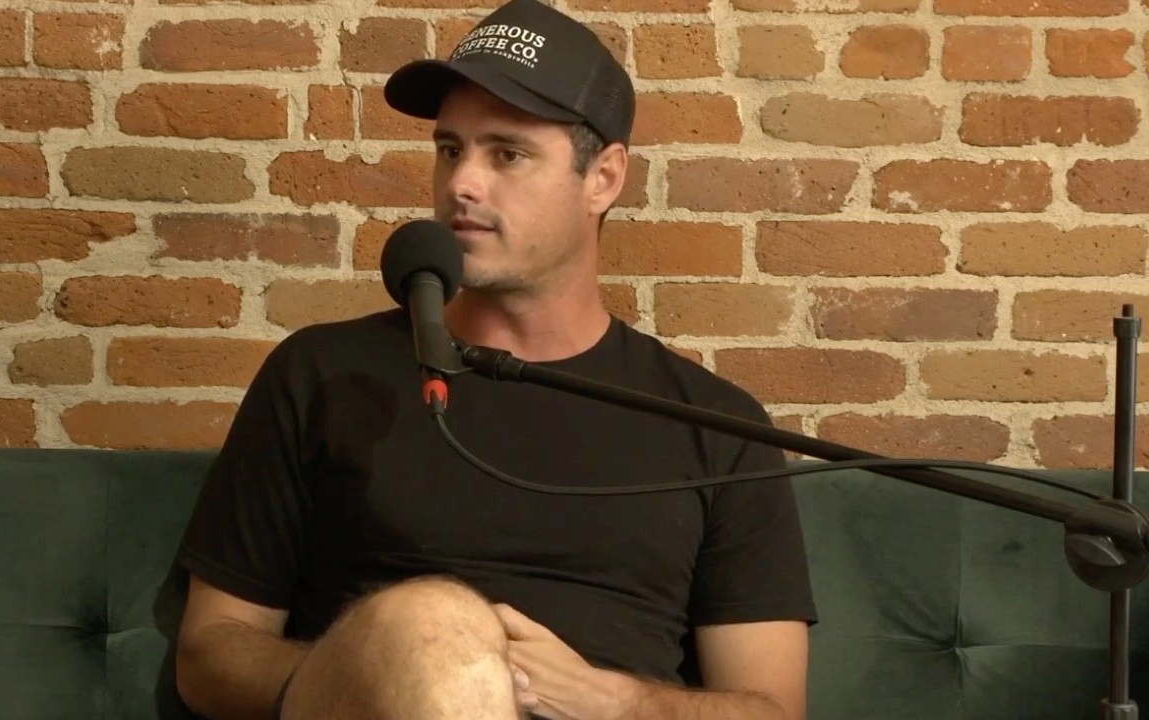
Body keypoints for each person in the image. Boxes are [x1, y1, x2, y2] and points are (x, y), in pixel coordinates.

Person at [171, 1, 818, 719]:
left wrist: (611, 700)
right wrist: (402, 669)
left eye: (506, 154)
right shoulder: (321, 374)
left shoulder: (716, 427)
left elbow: (774, 712)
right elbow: (208, 656)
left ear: (603, 178)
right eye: (451, 150)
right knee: (431, 623)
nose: (462, 184)